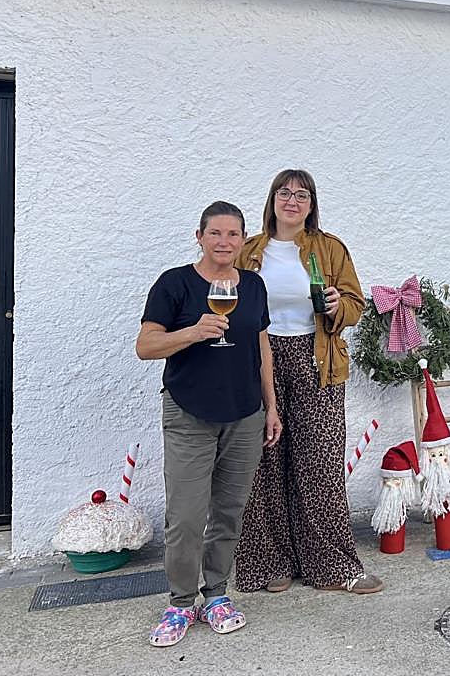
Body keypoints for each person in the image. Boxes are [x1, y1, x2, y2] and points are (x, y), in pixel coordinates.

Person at [136, 201, 281, 648]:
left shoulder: (253, 285)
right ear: (199, 237)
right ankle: (180, 602)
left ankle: (216, 594)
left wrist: (271, 407)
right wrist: (193, 333)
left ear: (243, 240)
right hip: (189, 413)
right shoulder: (174, 283)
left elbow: (262, 349)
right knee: (185, 516)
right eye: (215, 233)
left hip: (245, 414)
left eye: (233, 234)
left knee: (229, 512)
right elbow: (146, 346)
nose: (224, 241)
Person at [233, 170, 382, 595]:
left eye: (302, 195)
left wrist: (337, 306)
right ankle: (270, 564)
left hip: (317, 360)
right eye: (284, 192)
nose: (292, 200)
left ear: (312, 204)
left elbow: (355, 304)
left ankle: (333, 566)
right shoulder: (249, 251)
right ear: (272, 200)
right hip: (259, 360)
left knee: (320, 465)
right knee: (264, 464)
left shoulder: (329, 248)